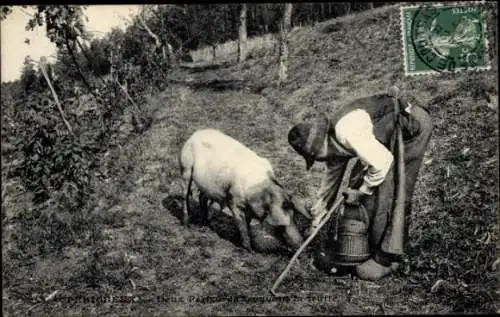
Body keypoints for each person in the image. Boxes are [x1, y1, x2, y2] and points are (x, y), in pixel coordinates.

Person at [287, 89, 433, 281]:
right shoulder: (330, 145)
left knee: (391, 189)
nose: (320, 161)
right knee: (361, 179)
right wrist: (316, 223)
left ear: (320, 147)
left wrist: (362, 192)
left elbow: (382, 163)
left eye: (315, 157)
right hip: (385, 138)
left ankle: (387, 257)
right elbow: (329, 186)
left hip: (410, 126)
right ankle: (370, 245)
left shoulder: (346, 131)